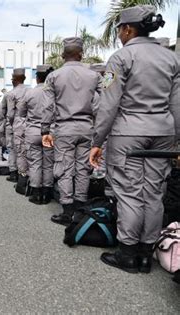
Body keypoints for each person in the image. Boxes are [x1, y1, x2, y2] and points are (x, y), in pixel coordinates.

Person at [89, 5, 179, 274]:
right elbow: (177, 104)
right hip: (163, 132)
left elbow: (108, 103)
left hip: (129, 133)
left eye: (119, 29)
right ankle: (146, 252)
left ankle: (127, 252)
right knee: (154, 193)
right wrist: (175, 141)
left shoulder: (120, 57)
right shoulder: (172, 59)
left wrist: (97, 140)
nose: (118, 34)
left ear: (128, 29)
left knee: (129, 192)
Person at [41, 37, 102, 226]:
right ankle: (81, 209)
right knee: (83, 169)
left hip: (64, 128)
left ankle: (67, 212)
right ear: (81, 54)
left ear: (62, 55)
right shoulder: (95, 76)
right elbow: (103, 103)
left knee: (65, 169)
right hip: (87, 128)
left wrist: (45, 129)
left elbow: (48, 106)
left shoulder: (53, 76)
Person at [23, 65, 55, 204]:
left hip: (33, 131)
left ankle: (36, 193)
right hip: (50, 131)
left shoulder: (29, 93)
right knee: (48, 163)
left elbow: (21, 113)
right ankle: (47, 193)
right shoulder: (55, 91)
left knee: (35, 163)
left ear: (37, 78)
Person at [3, 68, 30, 183]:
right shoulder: (30, 91)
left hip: (16, 123)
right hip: (30, 123)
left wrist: (14, 124)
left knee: (14, 149)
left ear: (14, 79)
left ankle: (16, 174)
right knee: (27, 150)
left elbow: (10, 113)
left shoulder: (11, 93)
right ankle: (28, 174)